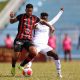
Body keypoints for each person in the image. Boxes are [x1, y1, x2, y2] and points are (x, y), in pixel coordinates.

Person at [19, 8, 64, 78]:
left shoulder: (49, 24)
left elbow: (56, 18)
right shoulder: (36, 24)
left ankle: (59, 73)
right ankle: (26, 69)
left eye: (45, 18)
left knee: (55, 55)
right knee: (32, 55)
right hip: (36, 44)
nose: (44, 20)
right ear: (40, 18)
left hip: (44, 46)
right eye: (43, 18)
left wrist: (61, 11)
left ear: (47, 18)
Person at [10, 4, 40, 76]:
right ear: (25, 10)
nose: (30, 12)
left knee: (34, 52)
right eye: (28, 11)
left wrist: (49, 26)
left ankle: (21, 65)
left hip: (28, 40)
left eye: (31, 11)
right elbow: (12, 21)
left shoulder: (35, 18)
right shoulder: (21, 16)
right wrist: (11, 17)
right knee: (16, 56)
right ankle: (13, 67)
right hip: (19, 39)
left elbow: (41, 22)